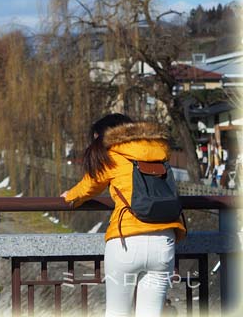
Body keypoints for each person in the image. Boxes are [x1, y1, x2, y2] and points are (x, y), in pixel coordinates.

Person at [61, 114, 186, 317]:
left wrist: (70, 197)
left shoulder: (112, 154)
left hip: (125, 241)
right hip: (164, 239)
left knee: (117, 312)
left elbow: (89, 186)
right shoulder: (160, 151)